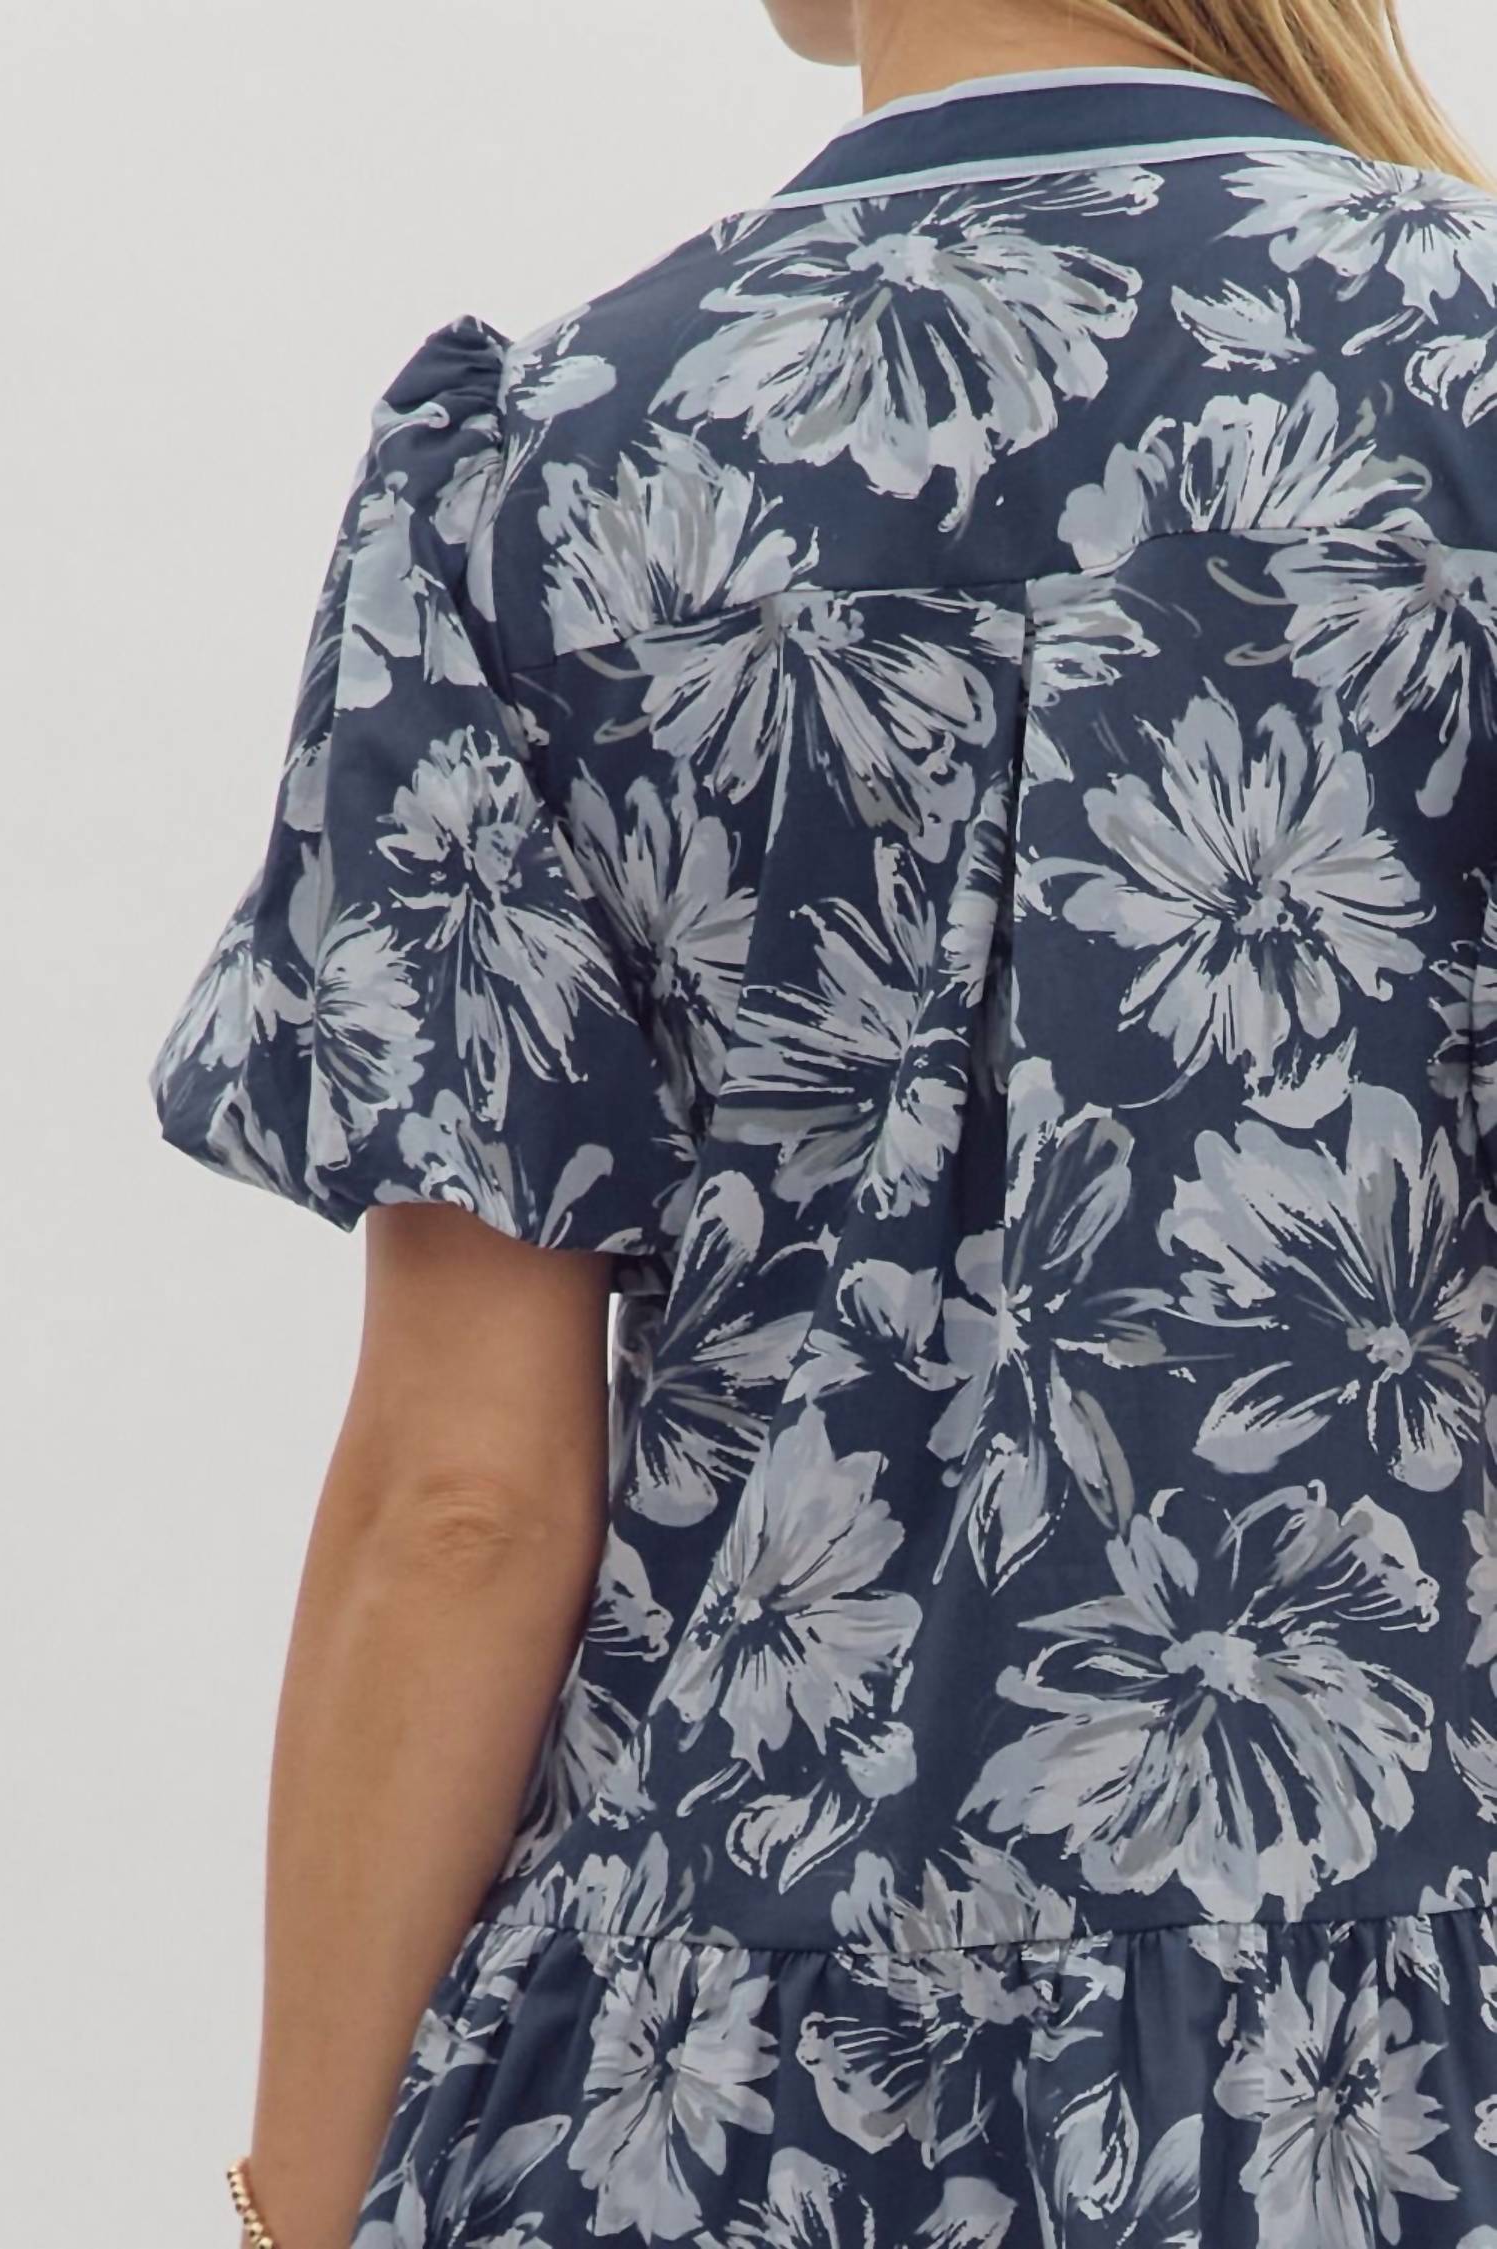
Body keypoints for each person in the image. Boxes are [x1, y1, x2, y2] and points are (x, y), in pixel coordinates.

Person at [149, 1, 1497, 2243]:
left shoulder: (553, 463)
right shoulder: (1460, 371)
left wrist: (296, 2210)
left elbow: (462, 1502)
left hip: (707, 2086)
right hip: (1398, 2066)